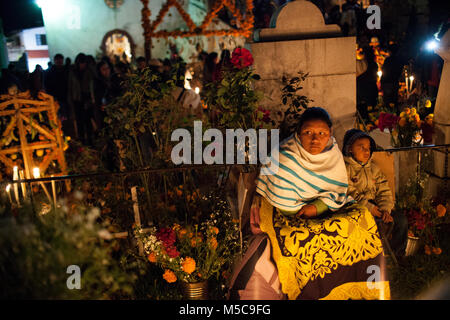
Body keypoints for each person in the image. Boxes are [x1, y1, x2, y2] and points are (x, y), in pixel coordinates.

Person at [235, 108, 390, 300]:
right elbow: (272, 192)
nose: (315, 139)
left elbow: (337, 192)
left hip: (322, 209)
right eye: (308, 133)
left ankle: (360, 289)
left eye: (322, 133)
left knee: (362, 221)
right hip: (289, 214)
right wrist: (303, 210)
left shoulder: (333, 154)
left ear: (330, 134)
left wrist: (317, 207)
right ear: (298, 133)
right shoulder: (283, 154)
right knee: (298, 241)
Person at [342, 128, 408, 259]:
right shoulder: (345, 168)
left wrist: (385, 210)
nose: (367, 151)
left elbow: (383, 189)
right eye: (361, 147)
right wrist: (370, 208)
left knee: (401, 220)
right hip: (357, 208)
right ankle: (368, 258)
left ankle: (396, 255)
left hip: (377, 207)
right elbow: (347, 192)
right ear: (350, 149)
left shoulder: (374, 168)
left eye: (368, 147)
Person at [67, 53, 96, 145]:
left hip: (87, 99)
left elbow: (92, 84)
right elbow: (70, 87)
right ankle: (82, 140)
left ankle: (90, 141)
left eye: (84, 63)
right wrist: (70, 101)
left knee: (88, 121)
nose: (83, 65)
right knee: (79, 121)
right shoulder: (73, 72)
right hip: (77, 100)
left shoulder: (89, 72)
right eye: (81, 63)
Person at [45, 54, 69, 125]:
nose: (59, 62)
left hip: (64, 98)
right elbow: (47, 85)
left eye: (60, 61)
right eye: (58, 61)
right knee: (56, 117)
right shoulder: (49, 72)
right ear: (55, 61)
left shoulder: (66, 71)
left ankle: (65, 132)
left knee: (65, 117)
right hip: (54, 98)